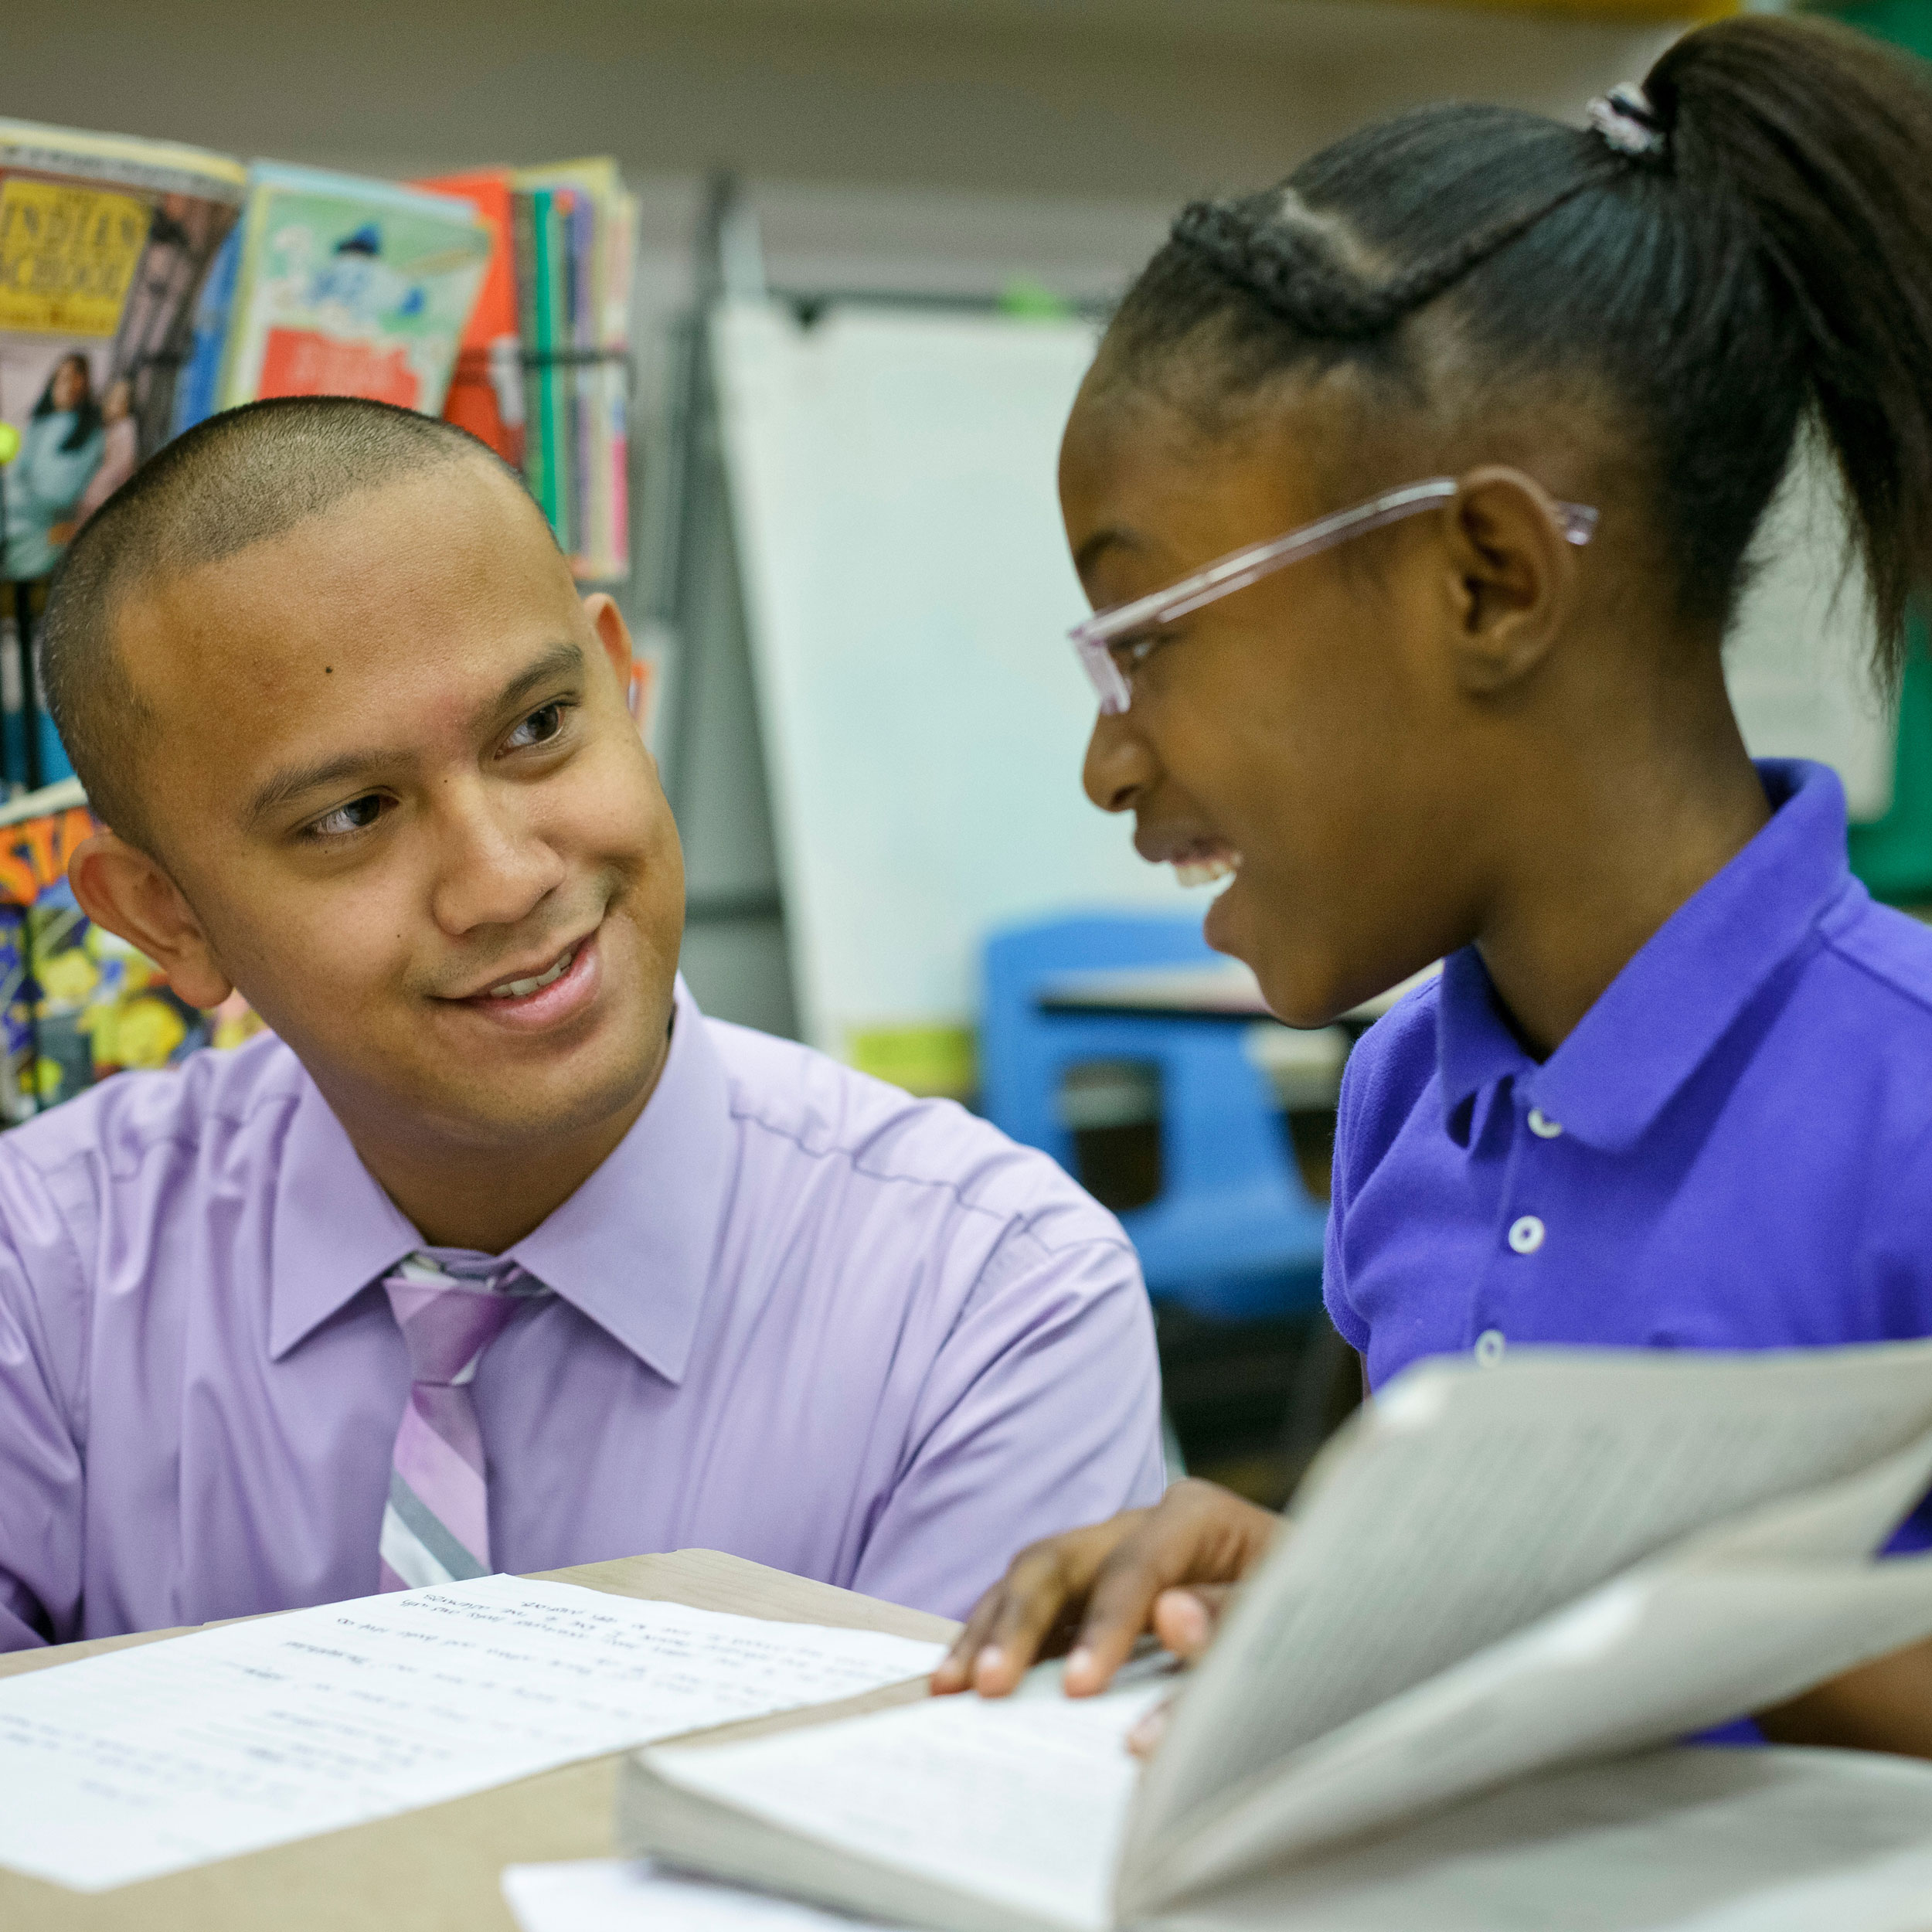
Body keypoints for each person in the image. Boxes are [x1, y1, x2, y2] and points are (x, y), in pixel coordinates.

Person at [934, 14, 1932, 1758]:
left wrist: (1597, 1633)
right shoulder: (1406, 1095)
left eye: (1149, 641)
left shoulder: (1905, 1093)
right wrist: (1311, 1581)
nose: (1109, 760)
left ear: (1481, 578)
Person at [0, 396, 1165, 1650]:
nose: (504, 878)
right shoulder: (46, 1281)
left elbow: (933, 1829)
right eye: (351, 815)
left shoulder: (988, 1303)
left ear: (621, 684)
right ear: (165, 917)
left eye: (540, 729)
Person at [2, 353, 104, 579]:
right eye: (62, 379)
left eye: (75, 379)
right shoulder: (37, 425)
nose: (67, 387)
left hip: (46, 531)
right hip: (19, 520)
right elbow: (16, 475)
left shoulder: (90, 435)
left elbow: (62, 493)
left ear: (85, 385)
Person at [73, 376, 140, 528]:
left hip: (103, 492)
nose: (116, 405)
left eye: (122, 401)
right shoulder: (109, 427)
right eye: (114, 399)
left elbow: (125, 465)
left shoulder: (125, 428)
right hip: (94, 491)